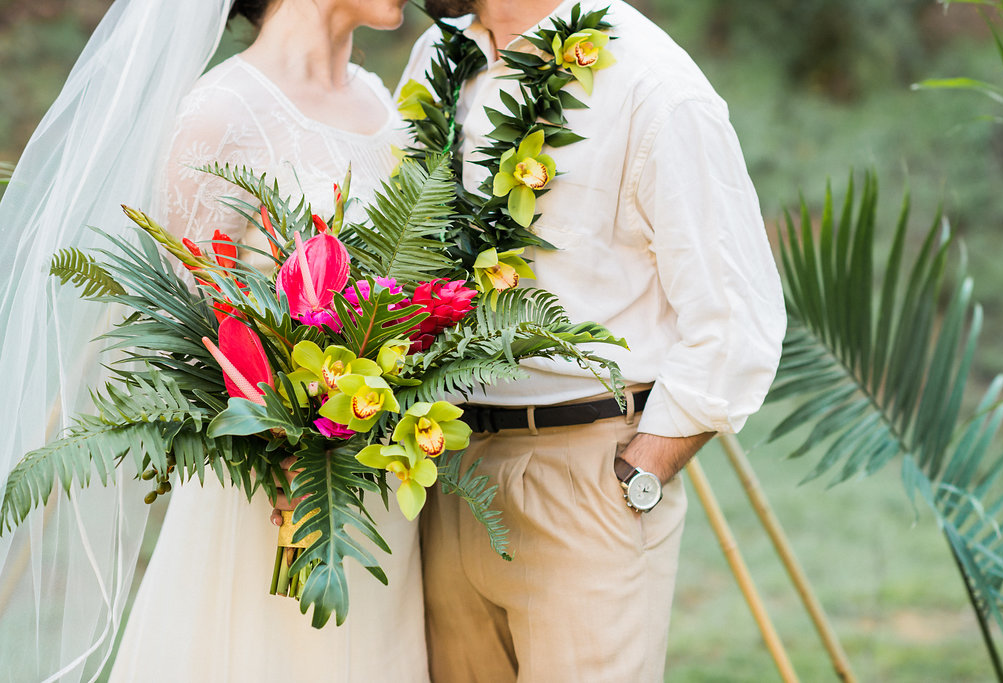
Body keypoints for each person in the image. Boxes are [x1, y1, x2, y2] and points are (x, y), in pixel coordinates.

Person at [0, 0, 428, 680]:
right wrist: (287, 448)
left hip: (384, 504)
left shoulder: (383, 104)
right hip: (273, 506)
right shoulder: (219, 116)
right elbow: (200, 335)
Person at [397, 0, 787, 680]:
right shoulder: (438, 58)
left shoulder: (651, 86)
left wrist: (638, 476)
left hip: (586, 482)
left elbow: (735, 318)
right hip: (441, 472)